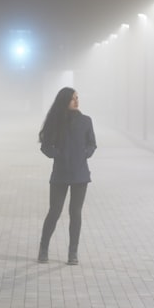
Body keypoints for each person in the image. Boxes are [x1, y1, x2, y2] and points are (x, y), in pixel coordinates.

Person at [38, 87, 96, 265]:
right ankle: (43, 249)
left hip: (80, 174)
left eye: (77, 98)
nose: (76, 101)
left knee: (75, 213)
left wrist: (84, 153)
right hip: (60, 173)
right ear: (64, 101)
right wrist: (57, 154)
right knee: (54, 211)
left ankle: (73, 253)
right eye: (72, 99)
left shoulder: (86, 121)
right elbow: (45, 145)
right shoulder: (55, 122)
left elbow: (92, 144)